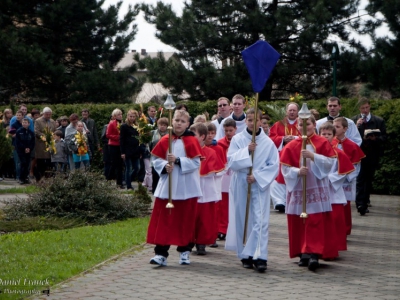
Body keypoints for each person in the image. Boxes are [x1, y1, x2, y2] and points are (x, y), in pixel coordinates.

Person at [280, 115, 337, 271]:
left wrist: (313, 156)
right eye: (301, 124)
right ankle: (302, 252)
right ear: (297, 126)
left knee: (316, 220)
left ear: (314, 125)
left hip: (316, 187)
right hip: (299, 187)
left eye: (308, 124)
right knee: (299, 220)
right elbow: (284, 168)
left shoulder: (322, 142)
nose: (305, 127)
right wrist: (297, 171)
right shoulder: (291, 145)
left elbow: (331, 163)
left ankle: (314, 253)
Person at [225, 108, 279, 272]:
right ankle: (245, 255)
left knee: (260, 221)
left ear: (260, 122)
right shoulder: (238, 139)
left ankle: (260, 256)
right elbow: (231, 161)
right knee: (243, 219)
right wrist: (246, 151)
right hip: (241, 182)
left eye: (255, 120)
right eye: (249, 120)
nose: (252, 123)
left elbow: (274, 165)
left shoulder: (268, 142)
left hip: (259, 185)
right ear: (245, 121)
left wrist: (257, 176)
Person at [147, 109, 202, 267]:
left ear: (188, 124)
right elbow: (156, 159)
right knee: (165, 220)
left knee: (185, 221)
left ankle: (184, 251)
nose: (179, 123)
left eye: (182, 121)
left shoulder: (192, 141)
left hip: (186, 187)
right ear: (172, 121)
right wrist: (164, 166)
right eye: (177, 120)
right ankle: (161, 253)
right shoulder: (165, 139)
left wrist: (178, 161)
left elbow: (196, 163)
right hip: (168, 186)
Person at [190, 122, 225, 255]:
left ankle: (201, 243)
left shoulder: (211, 152)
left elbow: (220, 170)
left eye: (194, 135)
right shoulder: (187, 151)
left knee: (205, 219)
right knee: (192, 217)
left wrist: (211, 171)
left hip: (206, 190)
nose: (191, 138)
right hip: (191, 189)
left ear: (202, 136)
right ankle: (189, 241)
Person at [320, 122, 355, 252]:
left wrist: (327, 179)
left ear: (334, 136)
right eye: (323, 134)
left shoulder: (338, 153)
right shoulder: (314, 151)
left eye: (329, 134)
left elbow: (343, 171)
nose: (326, 136)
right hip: (318, 190)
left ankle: (336, 247)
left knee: (335, 220)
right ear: (319, 134)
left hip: (333, 191)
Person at [352, 98, 387, 212]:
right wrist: (356, 126)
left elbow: (384, 138)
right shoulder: (354, 120)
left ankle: (365, 201)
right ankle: (360, 204)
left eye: (367, 107)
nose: (365, 110)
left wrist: (375, 138)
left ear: (370, 107)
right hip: (359, 154)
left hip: (372, 154)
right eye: (363, 108)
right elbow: (349, 137)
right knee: (360, 179)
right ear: (359, 109)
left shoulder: (378, 121)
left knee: (368, 179)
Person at [331, 118, 365, 225]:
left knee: (345, 205)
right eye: (333, 126)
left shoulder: (352, 145)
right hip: (331, 179)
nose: (334, 129)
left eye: (337, 127)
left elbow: (356, 165)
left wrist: (346, 176)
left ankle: (345, 229)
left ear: (345, 129)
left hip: (346, 180)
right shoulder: (329, 143)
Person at [269, 102, 301, 212]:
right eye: (290, 110)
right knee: (278, 175)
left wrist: (296, 138)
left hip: (297, 155)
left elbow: (307, 136)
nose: (292, 112)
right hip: (281, 154)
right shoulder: (279, 124)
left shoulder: (302, 124)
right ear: (286, 111)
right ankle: (279, 201)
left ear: (298, 112)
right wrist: (283, 139)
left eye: (294, 110)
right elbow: (271, 138)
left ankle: (293, 200)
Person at [217, 119, 237, 241]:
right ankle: (222, 229)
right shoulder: (219, 144)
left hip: (235, 175)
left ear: (236, 129)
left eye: (231, 130)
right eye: (226, 131)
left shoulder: (239, 142)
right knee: (223, 205)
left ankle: (232, 229)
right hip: (224, 177)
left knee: (233, 204)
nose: (228, 133)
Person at [120, 110, 141, 190]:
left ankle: (127, 180)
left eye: (133, 116)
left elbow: (139, 138)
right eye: (130, 116)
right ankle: (129, 185)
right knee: (128, 168)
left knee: (137, 168)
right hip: (127, 150)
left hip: (136, 150)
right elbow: (121, 140)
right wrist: (122, 152)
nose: (132, 118)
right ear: (128, 116)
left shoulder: (137, 126)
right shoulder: (124, 126)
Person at [34, 107, 57, 181]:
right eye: (47, 114)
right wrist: (44, 137)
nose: (48, 116)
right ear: (43, 114)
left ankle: (49, 178)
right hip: (41, 144)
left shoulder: (52, 121)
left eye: (49, 114)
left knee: (49, 162)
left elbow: (55, 131)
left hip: (50, 144)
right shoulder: (38, 121)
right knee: (41, 162)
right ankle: (39, 178)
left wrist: (52, 137)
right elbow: (36, 131)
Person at [148, 117, 169, 194]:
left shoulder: (169, 134)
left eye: (164, 125)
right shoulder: (153, 133)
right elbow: (149, 144)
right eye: (160, 125)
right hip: (155, 156)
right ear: (158, 125)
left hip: (165, 157)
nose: (162, 126)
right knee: (155, 174)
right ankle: (154, 191)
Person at [106, 109, 124, 188]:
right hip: (113, 145)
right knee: (114, 163)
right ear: (114, 116)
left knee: (120, 164)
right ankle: (109, 178)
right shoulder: (112, 123)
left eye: (121, 114)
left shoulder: (123, 123)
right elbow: (108, 135)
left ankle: (119, 183)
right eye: (118, 115)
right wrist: (118, 137)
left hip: (121, 145)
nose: (120, 116)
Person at [15, 118, 35, 184]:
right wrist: (24, 148)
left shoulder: (31, 133)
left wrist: (29, 148)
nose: (24, 124)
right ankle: (21, 178)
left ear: (29, 124)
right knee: (23, 163)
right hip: (21, 151)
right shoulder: (19, 131)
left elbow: (32, 142)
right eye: (23, 122)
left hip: (28, 151)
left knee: (27, 164)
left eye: (26, 122)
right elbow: (18, 142)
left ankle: (26, 177)